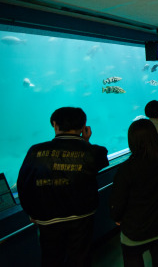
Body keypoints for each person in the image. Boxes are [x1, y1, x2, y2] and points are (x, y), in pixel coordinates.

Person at [17, 107, 109, 267]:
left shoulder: (35, 151)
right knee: (80, 258)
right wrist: (86, 141)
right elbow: (99, 161)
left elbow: (23, 184)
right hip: (81, 217)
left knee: (51, 258)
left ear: (54, 124)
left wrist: (31, 212)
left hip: (46, 219)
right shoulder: (94, 151)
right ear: (84, 126)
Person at [109, 119, 158, 267]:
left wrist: (117, 217)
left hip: (136, 229)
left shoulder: (126, 169)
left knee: (132, 256)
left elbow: (118, 200)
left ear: (132, 141)